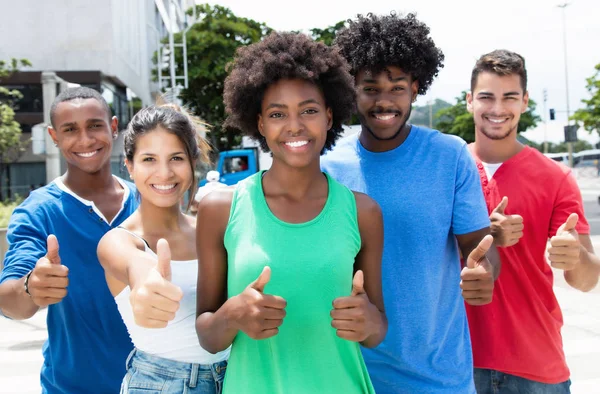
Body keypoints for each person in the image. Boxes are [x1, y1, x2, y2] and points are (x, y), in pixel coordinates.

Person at [195, 32, 387, 394]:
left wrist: (368, 322)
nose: (295, 125)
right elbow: (208, 335)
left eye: (309, 110)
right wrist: (232, 314)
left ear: (329, 117)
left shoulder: (363, 212)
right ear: (260, 123)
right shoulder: (221, 208)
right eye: (278, 113)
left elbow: (376, 330)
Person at [321, 13, 498, 394]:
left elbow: (479, 248)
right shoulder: (327, 163)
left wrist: (485, 272)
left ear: (416, 88)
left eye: (397, 88)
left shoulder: (449, 155)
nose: (384, 101)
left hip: (438, 377)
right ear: (351, 88)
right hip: (351, 373)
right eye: (370, 88)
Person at [465, 49, 600, 394]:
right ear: (469, 101)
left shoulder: (555, 177)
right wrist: (485, 235)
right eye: (486, 97)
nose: (497, 109)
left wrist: (576, 256)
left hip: (536, 369)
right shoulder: (447, 169)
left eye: (509, 97)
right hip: (456, 364)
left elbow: (585, 281)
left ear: (524, 101)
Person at [0, 87, 138, 393]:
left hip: (158, 384)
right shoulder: (38, 211)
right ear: (53, 136)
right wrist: (31, 287)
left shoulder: (148, 198)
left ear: (113, 127)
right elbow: (10, 301)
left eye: (95, 125)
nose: (86, 139)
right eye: (70, 130)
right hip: (72, 387)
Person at [97, 104, 229, 393]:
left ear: (193, 162)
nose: (164, 172)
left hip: (236, 378)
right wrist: (145, 283)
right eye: (149, 159)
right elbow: (134, 264)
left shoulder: (212, 232)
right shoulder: (120, 240)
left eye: (176, 158)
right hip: (161, 384)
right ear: (129, 166)